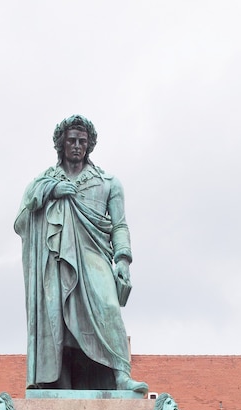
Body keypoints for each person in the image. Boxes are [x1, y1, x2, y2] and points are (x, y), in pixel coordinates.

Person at [15, 115, 147, 393]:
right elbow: (23, 215)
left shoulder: (108, 182)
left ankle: (121, 375)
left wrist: (123, 259)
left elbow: (120, 225)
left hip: (94, 253)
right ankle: (58, 382)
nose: (77, 146)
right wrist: (51, 190)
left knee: (109, 307)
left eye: (82, 142)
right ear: (61, 144)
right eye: (71, 141)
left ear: (90, 145)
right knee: (56, 319)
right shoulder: (46, 179)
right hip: (56, 258)